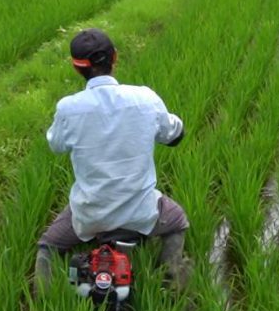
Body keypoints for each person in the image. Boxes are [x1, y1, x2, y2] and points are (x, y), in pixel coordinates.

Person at [35, 28, 191, 289]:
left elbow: (56, 145)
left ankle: (42, 305)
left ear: (76, 68)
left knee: (48, 248)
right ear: (114, 57)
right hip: (142, 213)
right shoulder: (145, 98)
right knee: (177, 222)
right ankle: (170, 282)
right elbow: (173, 133)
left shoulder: (68, 108)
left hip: (90, 214)